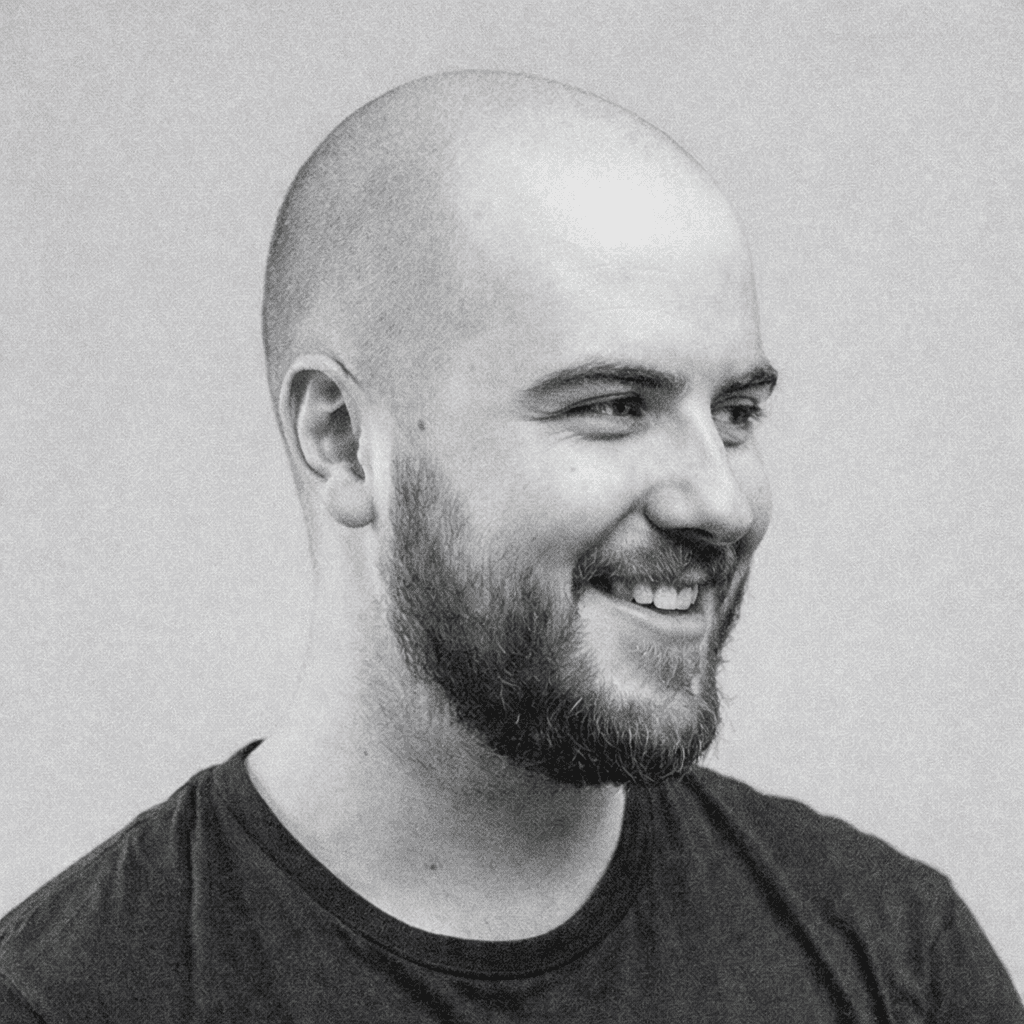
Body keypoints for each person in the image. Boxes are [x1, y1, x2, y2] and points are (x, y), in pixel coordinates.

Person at [0, 70, 1019, 1023]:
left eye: (737, 413)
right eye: (613, 405)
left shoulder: (897, 963)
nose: (720, 500)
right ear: (343, 440)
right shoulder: (69, 995)